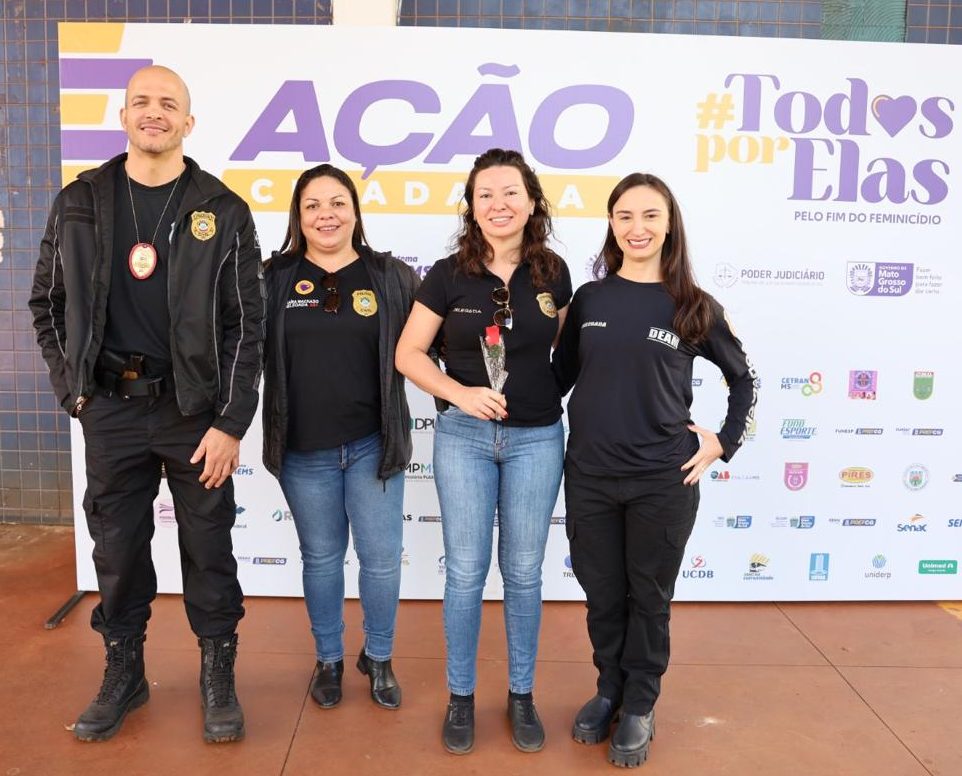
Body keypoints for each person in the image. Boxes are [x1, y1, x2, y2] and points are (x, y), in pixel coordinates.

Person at [29, 65, 264, 743]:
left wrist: (229, 422)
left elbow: (246, 326)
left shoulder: (222, 210)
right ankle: (124, 671)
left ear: (188, 122)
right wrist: (73, 390)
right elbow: (47, 302)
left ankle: (217, 674)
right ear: (124, 116)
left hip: (194, 413)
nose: (153, 112)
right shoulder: (80, 201)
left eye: (168, 103)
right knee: (118, 547)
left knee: (209, 547)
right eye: (141, 102)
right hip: (110, 407)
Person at [553, 173, 757, 768]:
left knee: (649, 596)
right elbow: (558, 377)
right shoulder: (590, 299)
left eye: (649, 216)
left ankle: (640, 703)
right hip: (590, 475)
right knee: (602, 594)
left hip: (662, 480)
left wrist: (724, 442)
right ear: (611, 224)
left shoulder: (693, 304)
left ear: (669, 226)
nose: (636, 228)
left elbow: (743, 379)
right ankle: (608, 689)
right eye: (624, 216)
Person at [395, 148, 571, 755]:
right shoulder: (448, 275)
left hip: (537, 439)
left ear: (532, 202)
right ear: (471, 206)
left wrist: (540, 395)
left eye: (510, 192)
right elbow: (409, 353)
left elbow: (568, 352)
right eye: (485, 194)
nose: (499, 204)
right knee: (467, 572)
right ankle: (461, 696)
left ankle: (521, 695)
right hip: (464, 439)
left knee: (523, 573)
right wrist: (459, 394)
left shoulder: (553, 272)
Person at [262, 165, 419, 711]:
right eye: (312, 205)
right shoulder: (273, 278)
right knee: (322, 560)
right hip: (303, 451)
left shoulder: (392, 276)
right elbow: (236, 350)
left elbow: (432, 345)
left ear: (354, 211)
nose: (325, 215)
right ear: (298, 216)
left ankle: (379, 656)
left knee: (381, 560)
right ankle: (328, 658)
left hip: (374, 446)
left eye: (337, 203)